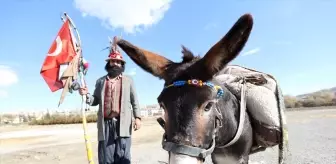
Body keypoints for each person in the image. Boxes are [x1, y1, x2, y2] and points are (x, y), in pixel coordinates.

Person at [79, 42, 142, 164]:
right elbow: (95, 100)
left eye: (118, 62)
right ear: (109, 63)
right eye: (113, 61)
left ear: (122, 65)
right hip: (105, 124)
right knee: (106, 158)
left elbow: (135, 101)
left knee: (122, 155)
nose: (116, 64)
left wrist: (138, 117)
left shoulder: (128, 80)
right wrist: (86, 94)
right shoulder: (101, 81)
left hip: (123, 123)